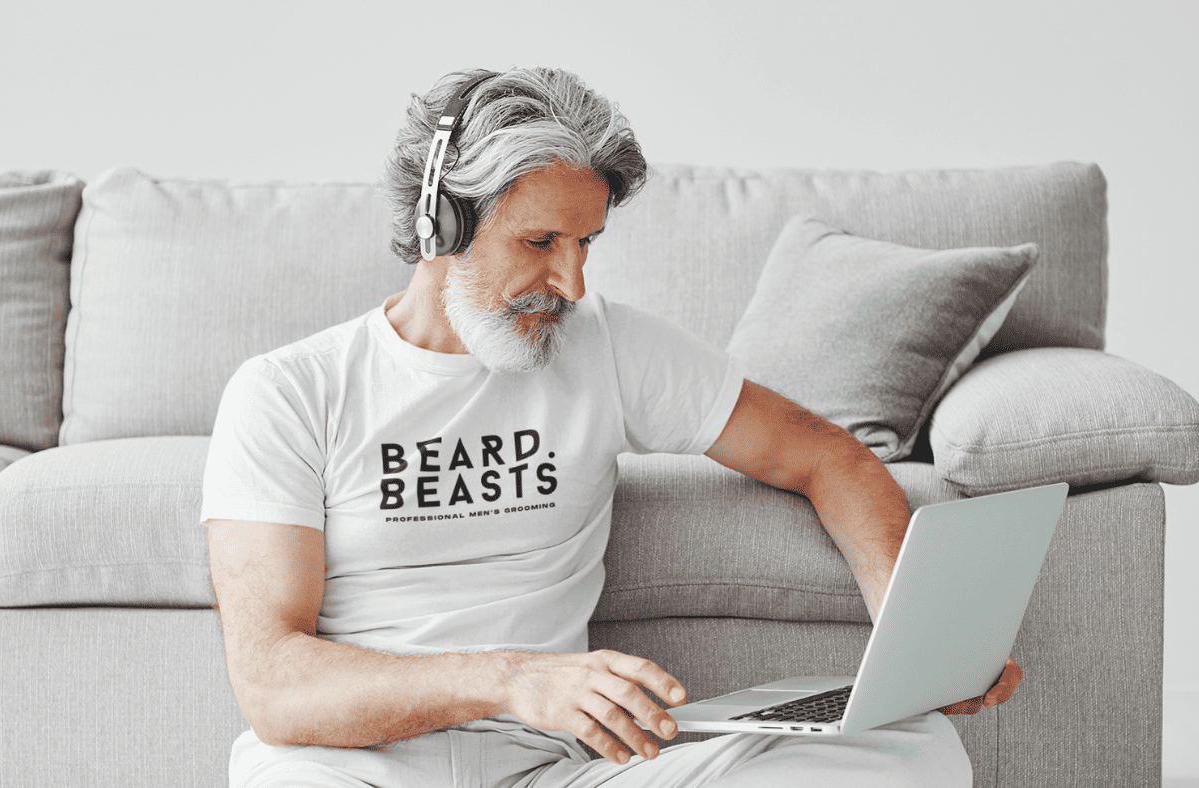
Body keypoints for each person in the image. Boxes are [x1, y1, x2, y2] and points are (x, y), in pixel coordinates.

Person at [201, 66, 1018, 788]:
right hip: (351, 770)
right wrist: (512, 679)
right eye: (539, 240)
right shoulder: (289, 392)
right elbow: (274, 683)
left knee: (917, 754)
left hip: (546, 770)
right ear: (439, 225)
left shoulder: (605, 345)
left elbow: (823, 455)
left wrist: (911, 632)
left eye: (586, 241)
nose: (571, 279)